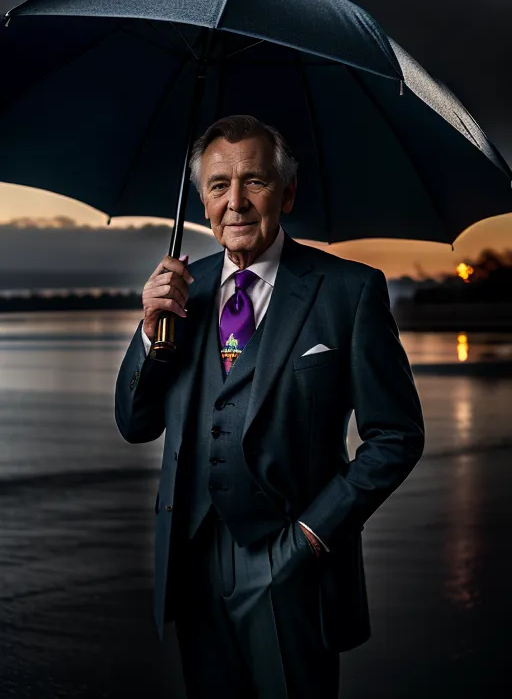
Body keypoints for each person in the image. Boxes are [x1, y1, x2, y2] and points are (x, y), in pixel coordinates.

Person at [114, 114, 425, 698]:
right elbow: (134, 425)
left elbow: (396, 436)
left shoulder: (349, 290)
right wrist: (149, 327)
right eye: (217, 185)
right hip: (194, 559)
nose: (235, 202)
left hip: (293, 566)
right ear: (200, 199)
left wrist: (310, 536)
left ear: (287, 191)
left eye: (254, 181)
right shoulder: (181, 289)